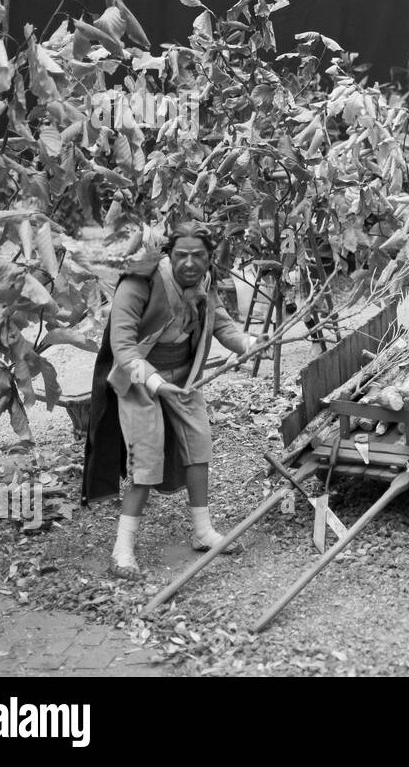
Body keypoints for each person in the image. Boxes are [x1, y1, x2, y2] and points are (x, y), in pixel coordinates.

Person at [81, 222, 261, 579]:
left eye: (199, 256)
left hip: (184, 379)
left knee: (199, 446)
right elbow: (123, 346)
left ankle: (203, 531)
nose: (190, 264)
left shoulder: (204, 281)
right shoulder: (140, 282)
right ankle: (123, 549)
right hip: (140, 380)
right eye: (182, 256)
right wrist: (155, 382)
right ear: (169, 254)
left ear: (209, 258)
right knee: (146, 461)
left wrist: (248, 343)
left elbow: (221, 324)